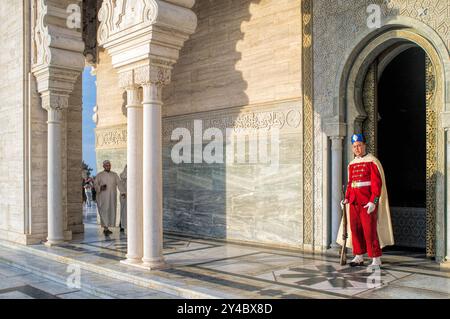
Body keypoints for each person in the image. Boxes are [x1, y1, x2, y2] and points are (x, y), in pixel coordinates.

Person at [337, 134, 394, 267]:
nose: (357, 148)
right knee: (355, 230)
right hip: (353, 202)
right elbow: (350, 183)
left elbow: (376, 184)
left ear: (364, 146)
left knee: (369, 231)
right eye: (355, 146)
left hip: (366, 203)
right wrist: (346, 199)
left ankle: (376, 258)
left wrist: (373, 202)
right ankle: (358, 256)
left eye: (359, 145)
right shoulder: (351, 164)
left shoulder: (372, 161)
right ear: (352, 148)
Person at [94, 160, 125, 236]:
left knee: (111, 211)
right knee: (104, 212)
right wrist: (100, 187)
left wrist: (123, 192)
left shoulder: (114, 175)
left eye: (109, 165)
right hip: (103, 197)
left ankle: (108, 228)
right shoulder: (99, 175)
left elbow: (119, 184)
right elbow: (95, 185)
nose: (108, 166)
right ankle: (105, 228)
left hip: (112, 197)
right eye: (107, 165)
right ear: (103, 166)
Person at [119, 165, 127, 233]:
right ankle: (121, 225)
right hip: (124, 196)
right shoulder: (123, 176)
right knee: (123, 211)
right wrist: (123, 193)